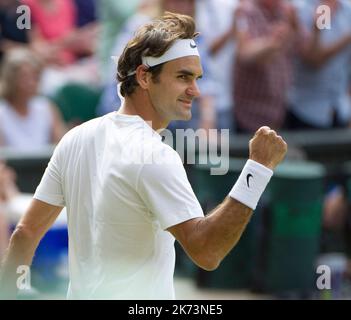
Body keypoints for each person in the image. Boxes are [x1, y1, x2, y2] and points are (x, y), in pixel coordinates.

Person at [0, 12, 287, 299]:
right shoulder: (156, 155)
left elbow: (25, 234)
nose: (195, 90)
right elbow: (207, 251)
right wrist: (258, 169)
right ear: (144, 77)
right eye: (183, 77)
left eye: (197, 77)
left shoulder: (75, 138)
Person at [0, 48, 66, 151]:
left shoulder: (46, 107)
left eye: (35, 77)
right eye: (25, 77)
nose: (31, 83)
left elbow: (61, 147)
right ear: (11, 79)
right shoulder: (2, 114)